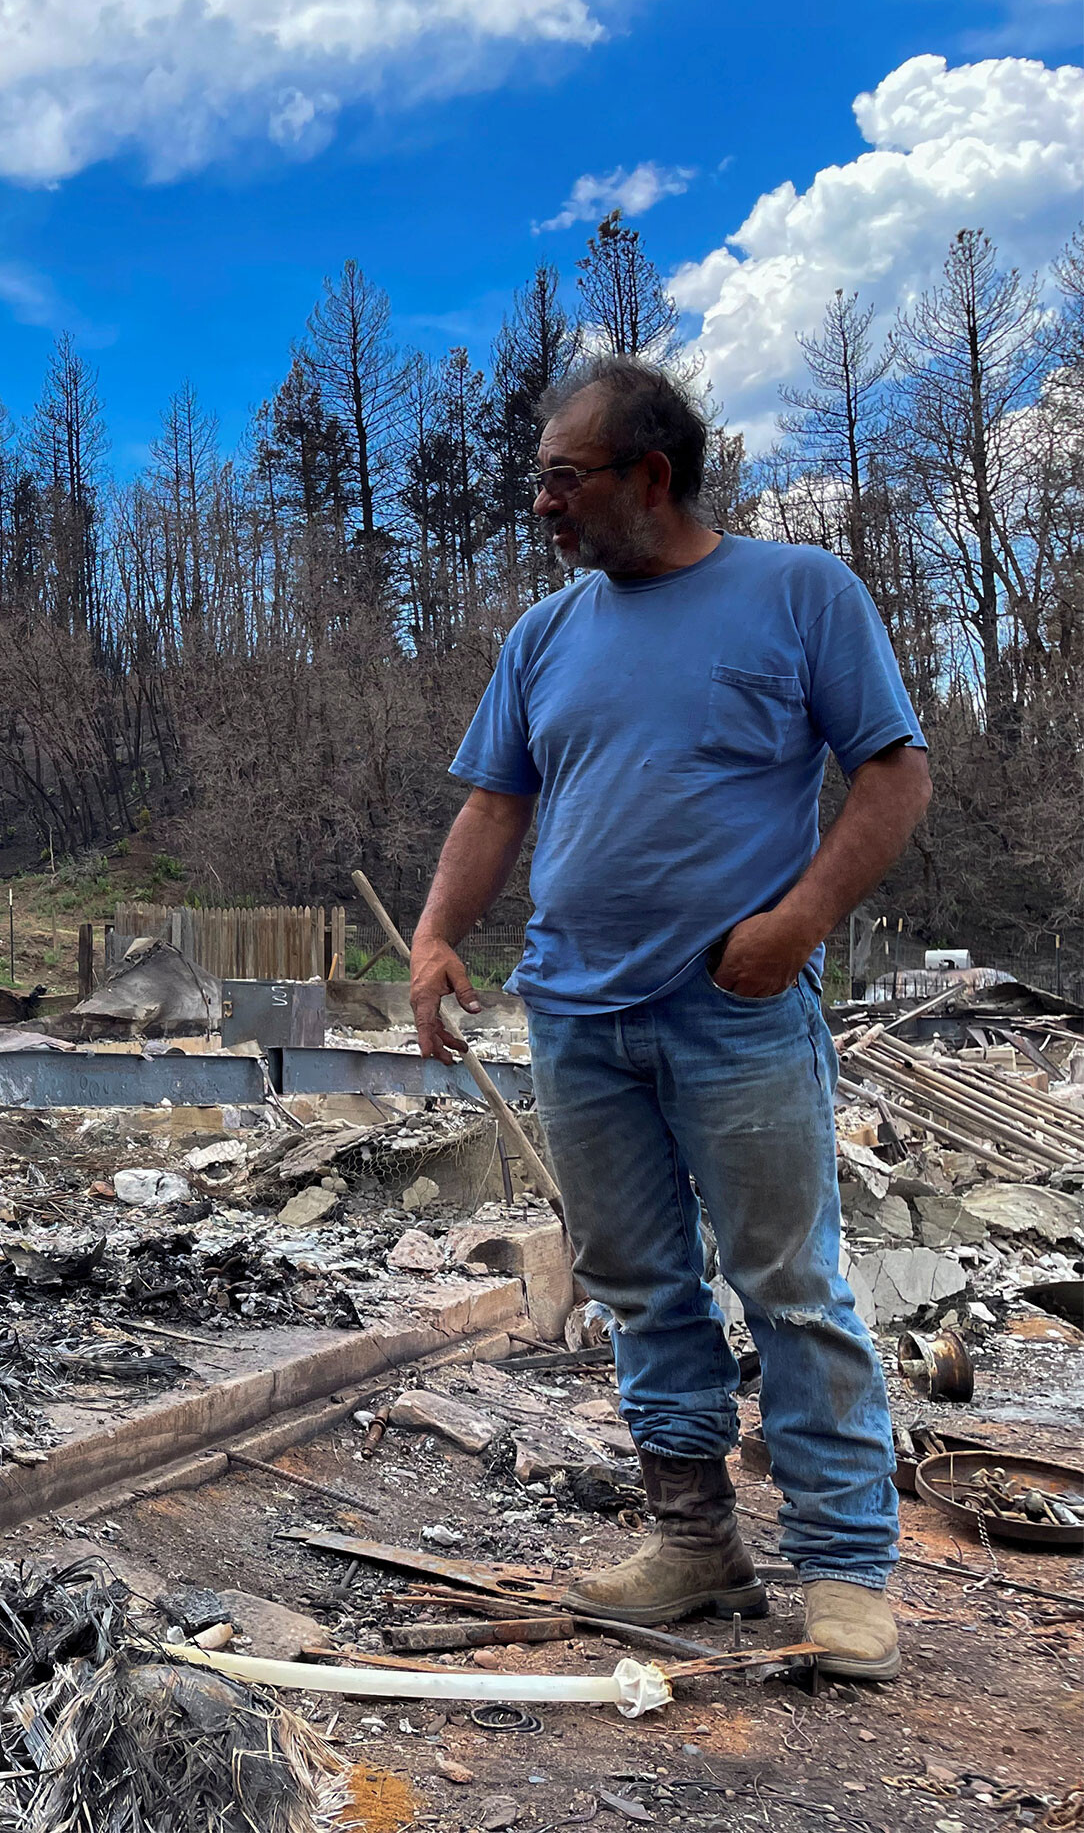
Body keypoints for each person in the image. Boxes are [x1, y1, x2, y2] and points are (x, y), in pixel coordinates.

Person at [408, 355, 930, 1682]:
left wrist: (800, 922)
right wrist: (434, 936)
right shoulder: (546, 634)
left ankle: (847, 1576)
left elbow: (893, 773)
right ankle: (695, 1544)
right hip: (576, 1017)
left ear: (651, 474)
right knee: (644, 1291)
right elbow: (495, 806)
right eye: (538, 480)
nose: (542, 505)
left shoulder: (799, 594)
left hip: (736, 1012)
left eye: (562, 479)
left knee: (792, 1287)